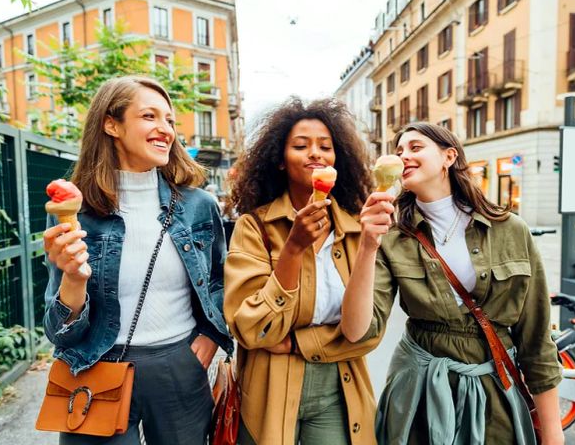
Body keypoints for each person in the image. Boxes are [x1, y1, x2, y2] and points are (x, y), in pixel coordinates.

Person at [341, 122, 564, 445]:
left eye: (416, 148)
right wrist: (366, 246)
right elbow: (356, 330)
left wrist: (552, 432)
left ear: (449, 157)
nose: (404, 156)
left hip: (494, 395)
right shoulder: (391, 235)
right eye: (399, 150)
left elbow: (536, 338)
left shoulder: (510, 230)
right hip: (417, 393)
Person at [42, 76, 232, 444]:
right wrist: (73, 279)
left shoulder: (198, 207)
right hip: (95, 366)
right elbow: (58, 330)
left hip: (180, 366)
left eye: (170, 120)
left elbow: (220, 284)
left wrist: (211, 337)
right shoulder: (74, 214)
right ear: (111, 124)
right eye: (149, 116)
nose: (165, 130)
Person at [224, 97, 393, 445]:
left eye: (325, 147)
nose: (315, 153)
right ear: (281, 161)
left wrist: (297, 342)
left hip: (338, 387)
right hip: (269, 389)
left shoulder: (359, 230)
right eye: (301, 146)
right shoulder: (254, 227)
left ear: (337, 159)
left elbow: (369, 331)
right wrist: (294, 248)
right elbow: (251, 329)